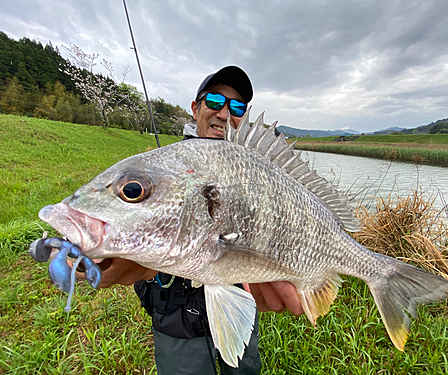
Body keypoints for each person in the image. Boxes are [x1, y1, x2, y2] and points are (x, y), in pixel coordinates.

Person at [81, 66, 304, 374]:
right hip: (175, 318)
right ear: (195, 108)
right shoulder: (167, 168)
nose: (224, 114)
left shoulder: (256, 169)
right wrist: (103, 256)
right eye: (214, 101)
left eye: (237, 107)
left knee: (245, 368)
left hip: (237, 298)